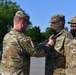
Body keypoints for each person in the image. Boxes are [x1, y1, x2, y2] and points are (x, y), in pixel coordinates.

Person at [0, 10, 52, 75]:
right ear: (22, 22)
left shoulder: (7, 36)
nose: (27, 26)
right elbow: (38, 53)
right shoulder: (22, 38)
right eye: (27, 23)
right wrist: (49, 45)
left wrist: (42, 45)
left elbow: (27, 48)